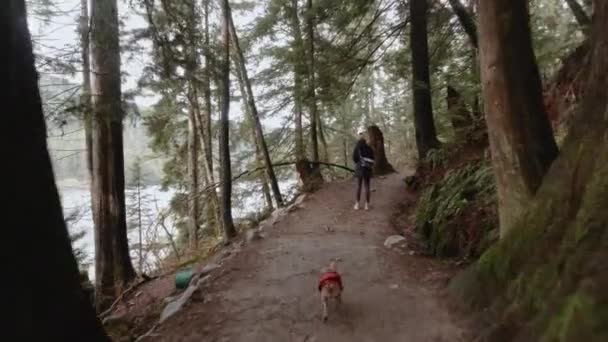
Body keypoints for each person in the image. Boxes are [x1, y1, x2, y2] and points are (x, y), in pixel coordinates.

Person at [352, 132, 375, 210]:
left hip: (359, 168)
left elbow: (354, 158)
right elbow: (373, 158)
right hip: (368, 169)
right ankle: (367, 205)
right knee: (367, 186)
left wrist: (359, 162)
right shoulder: (369, 148)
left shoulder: (357, 147)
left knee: (359, 186)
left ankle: (357, 204)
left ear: (359, 138)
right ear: (365, 139)